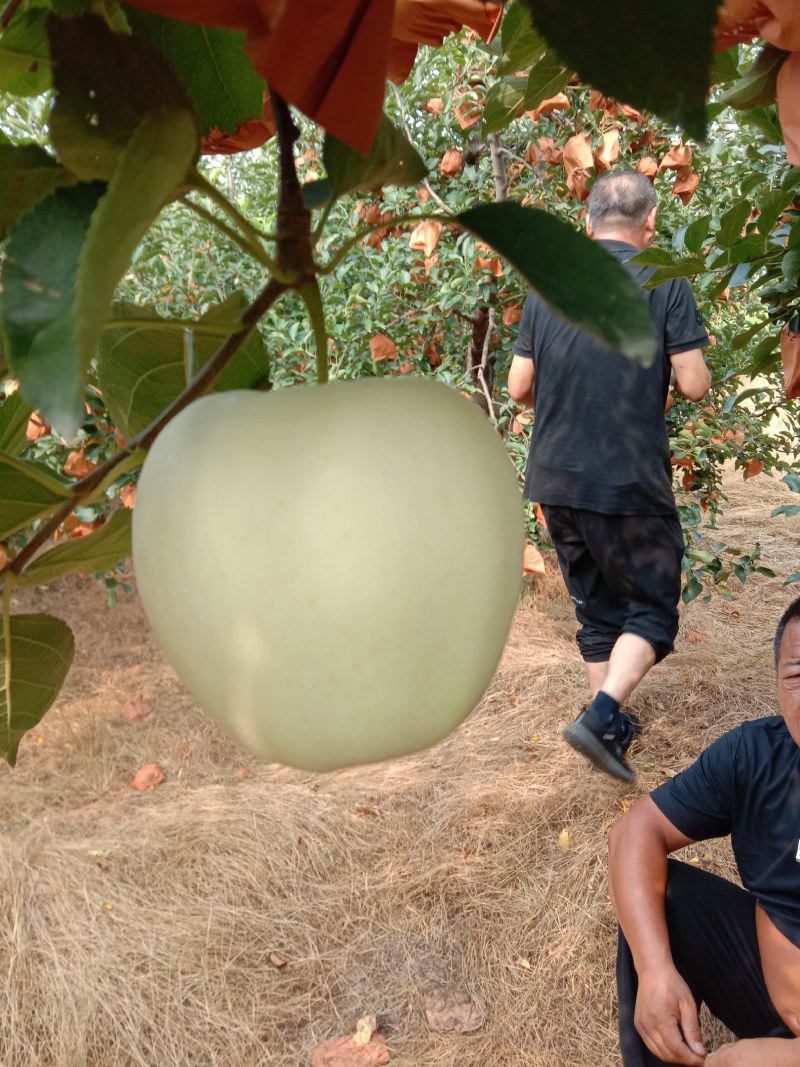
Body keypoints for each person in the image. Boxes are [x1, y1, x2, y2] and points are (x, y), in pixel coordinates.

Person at [507, 169, 711, 781]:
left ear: (587, 222)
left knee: (597, 612)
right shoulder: (664, 280)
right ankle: (600, 715)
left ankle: (609, 731)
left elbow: (518, 386)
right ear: (649, 224)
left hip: (554, 479)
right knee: (652, 611)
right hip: (626, 477)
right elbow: (695, 384)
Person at [608, 596, 800, 1065]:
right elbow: (636, 831)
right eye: (798, 674)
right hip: (771, 998)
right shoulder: (756, 757)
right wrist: (655, 972)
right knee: (662, 892)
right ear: (777, 684)